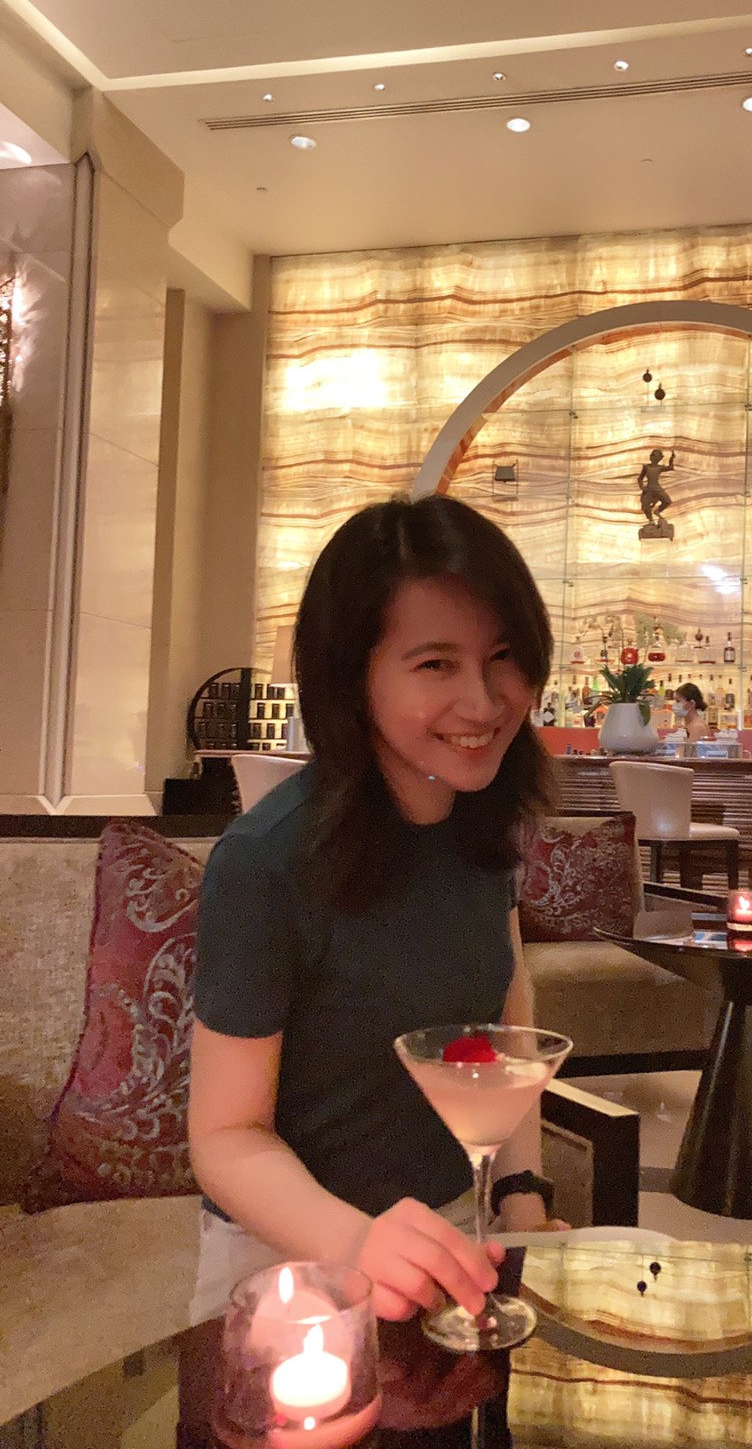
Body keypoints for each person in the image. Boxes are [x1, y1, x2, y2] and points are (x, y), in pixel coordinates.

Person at [188, 494, 568, 1328]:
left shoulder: (484, 826)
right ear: (351, 678)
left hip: (456, 1240)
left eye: (503, 657)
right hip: (289, 1263)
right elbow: (225, 1137)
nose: (484, 701)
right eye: (435, 665)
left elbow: (507, 1020)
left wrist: (519, 1194)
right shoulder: (264, 863)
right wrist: (359, 1245)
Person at [637, 447, 675, 526]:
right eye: (652, 455)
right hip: (649, 489)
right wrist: (642, 487)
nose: (653, 457)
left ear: (659, 458)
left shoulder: (659, 467)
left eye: (655, 456)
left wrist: (672, 458)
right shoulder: (646, 467)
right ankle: (651, 520)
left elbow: (671, 467)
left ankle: (657, 511)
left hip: (657, 489)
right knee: (645, 505)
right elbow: (640, 478)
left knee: (667, 501)